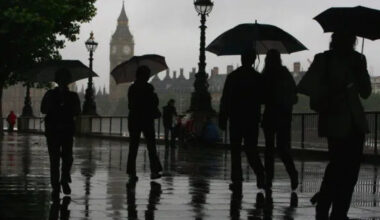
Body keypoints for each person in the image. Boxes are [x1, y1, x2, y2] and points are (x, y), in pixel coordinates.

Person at [305, 32, 371, 220]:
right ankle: (337, 209)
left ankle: (327, 202)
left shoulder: (329, 60)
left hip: (339, 122)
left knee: (339, 167)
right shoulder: (331, 60)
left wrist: (359, 71)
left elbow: (365, 90)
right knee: (347, 170)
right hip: (350, 121)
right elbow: (365, 93)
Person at [219, 50, 265, 191]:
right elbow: (263, 98)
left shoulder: (233, 76)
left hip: (236, 118)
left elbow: (225, 99)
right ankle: (260, 173)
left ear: (242, 58)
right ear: (253, 60)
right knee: (251, 150)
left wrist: (223, 117)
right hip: (251, 119)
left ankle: (237, 180)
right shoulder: (257, 77)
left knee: (235, 150)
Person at [41, 68, 81, 201]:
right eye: (61, 79)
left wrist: (67, 106)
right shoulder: (50, 94)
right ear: (57, 81)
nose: (64, 82)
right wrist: (54, 105)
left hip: (67, 131)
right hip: (53, 131)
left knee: (68, 158)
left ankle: (64, 179)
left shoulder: (73, 96)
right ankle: (55, 187)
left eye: (66, 79)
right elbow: (43, 109)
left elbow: (77, 112)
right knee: (54, 160)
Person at [261, 49, 299, 192]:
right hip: (284, 116)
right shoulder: (285, 74)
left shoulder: (265, 75)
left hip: (270, 116)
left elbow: (261, 97)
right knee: (283, 149)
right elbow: (295, 96)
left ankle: (268, 179)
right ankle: (292, 173)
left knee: (269, 150)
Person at [127, 65, 163, 182]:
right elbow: (154, 103)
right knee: (151, 146)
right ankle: (154, 171)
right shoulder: (148, 88)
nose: (148, 77)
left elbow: (130, 105)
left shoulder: (132, 88)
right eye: (147, 74)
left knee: (133, 147)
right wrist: (154, 97)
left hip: (134, 119)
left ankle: (131, 172)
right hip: (146, 119)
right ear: (144, 75)